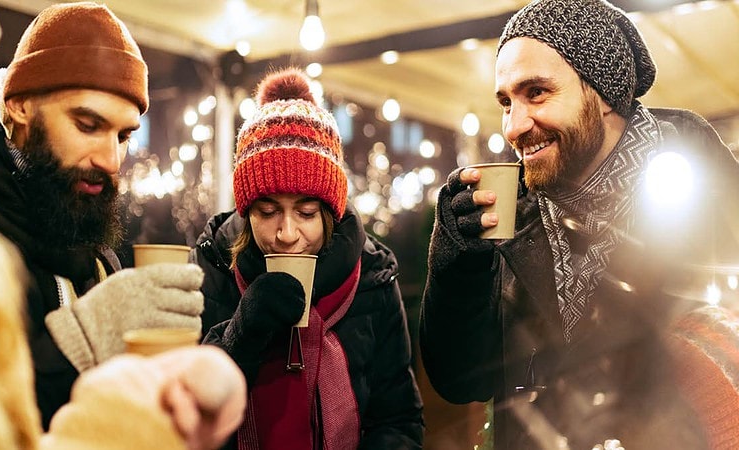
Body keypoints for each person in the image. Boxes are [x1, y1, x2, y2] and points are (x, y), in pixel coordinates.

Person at [420, 0, 739, 448]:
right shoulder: (516, 213)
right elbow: (461, 380)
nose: (514, 125)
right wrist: (458, 268)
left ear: (605, 92)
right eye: (506, 102)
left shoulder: (704, 185)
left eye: (536, 93)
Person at [0, 2, 246, 449]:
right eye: (87, 125)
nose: (110, 160)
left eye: (124, 136)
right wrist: (77, 342)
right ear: (19, 106)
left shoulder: (81, 229)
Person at [191, 68, 424, 449]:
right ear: (246, 213)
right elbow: (183, 420)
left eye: (306, 212)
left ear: (329, 213)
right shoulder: (212, 266)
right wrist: (241, 335)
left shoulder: (373, 278)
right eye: (267, 212)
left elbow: (398, 419)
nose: (286, 233)